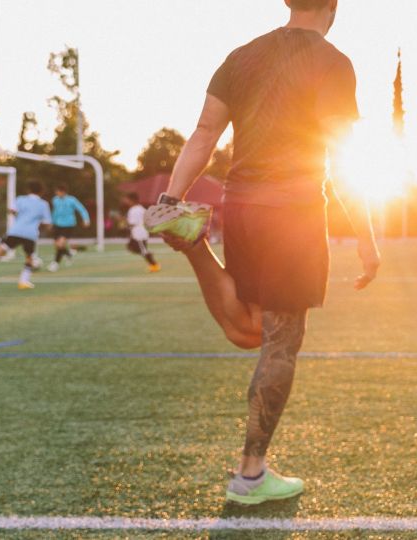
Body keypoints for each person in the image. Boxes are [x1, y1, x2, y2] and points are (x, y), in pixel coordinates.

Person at [143, 0, 379, 506]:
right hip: (293, 214)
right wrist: (367, 237)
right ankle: (251, 473)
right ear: (333, 6)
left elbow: (205, 133)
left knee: (249, 329)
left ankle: (196, 246)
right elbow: (343, 160)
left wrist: (171, 199)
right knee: (280, 342)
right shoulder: (334, 61)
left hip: (241, 207)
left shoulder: (242, 56)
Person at [0, 181, 52, 290]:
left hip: (15, 231)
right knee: (29, 258)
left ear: (28, 190)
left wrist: (20, 217)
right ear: (41, 192)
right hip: (30, 234)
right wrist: (38, 222)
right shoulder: (43, 204)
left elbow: (11, 210)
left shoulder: (21, 199)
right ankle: (23, 282)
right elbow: (48, 223)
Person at [48, 184, 91, 272]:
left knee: (60, 244)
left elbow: (81, 209)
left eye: (58, 191)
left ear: (63, 192)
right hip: (57, 225)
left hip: (68, 225)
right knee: (58, 245)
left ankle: (55, 263)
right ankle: (68, 254)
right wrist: (51, 223)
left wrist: (86, 219)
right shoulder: (55, 200)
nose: (56, 193)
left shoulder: (72, 200)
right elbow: (54, 213)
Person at [123, 193, 160, 272]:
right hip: (142, 232)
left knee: (141, 250)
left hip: (138, 233)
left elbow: (132, 223)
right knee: (131, 247)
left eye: (126, 199)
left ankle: (154, 265)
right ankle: (148, 255)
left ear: (131, 200)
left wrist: (125, 224)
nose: (125, 201)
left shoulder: (133, 210)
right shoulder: (141, 208)